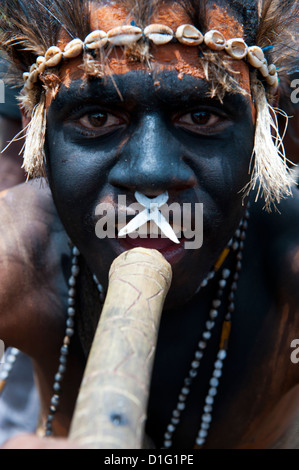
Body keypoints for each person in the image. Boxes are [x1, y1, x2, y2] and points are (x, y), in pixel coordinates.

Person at [0, 0, 299, 449]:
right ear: (36, 132)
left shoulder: (289, 266)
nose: (152, 176)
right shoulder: (17, 253)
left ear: (265, 126)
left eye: (202, 116)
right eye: (97, 117)